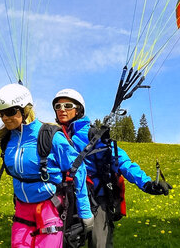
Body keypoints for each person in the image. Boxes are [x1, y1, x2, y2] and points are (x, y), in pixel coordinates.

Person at [52, 88, 171, 248]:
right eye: (58, 107)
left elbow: (120, 160)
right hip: (66, 200)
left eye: (67, 106)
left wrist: (146, 183)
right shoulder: (53, 135)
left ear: (78, 109)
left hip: (96, 199)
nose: (62, 110)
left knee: (99, 244)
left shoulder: (91, 134)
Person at [0, 84, 94, 248]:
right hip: (22, 210)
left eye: (11, 112)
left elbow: (78, 169)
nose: (4, 118)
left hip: (50, 208)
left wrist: (84, 211)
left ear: (26, 109)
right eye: (0, 113)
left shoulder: (50, 136)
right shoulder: (7, 140)